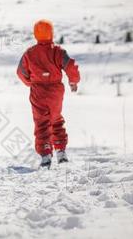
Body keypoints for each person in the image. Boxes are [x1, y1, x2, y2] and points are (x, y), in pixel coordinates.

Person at [16, 19, 80, 168]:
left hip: (38, 91)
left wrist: (29, 82)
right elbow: (70, 65)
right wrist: (73, 81)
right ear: (51, 32)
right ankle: (61, 152)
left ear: (35, 34)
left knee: (41, 122)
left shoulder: (29, 53)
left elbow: (21, 72)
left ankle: (45, 155)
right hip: (55, 92)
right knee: (56, 119)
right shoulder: (57, 51)